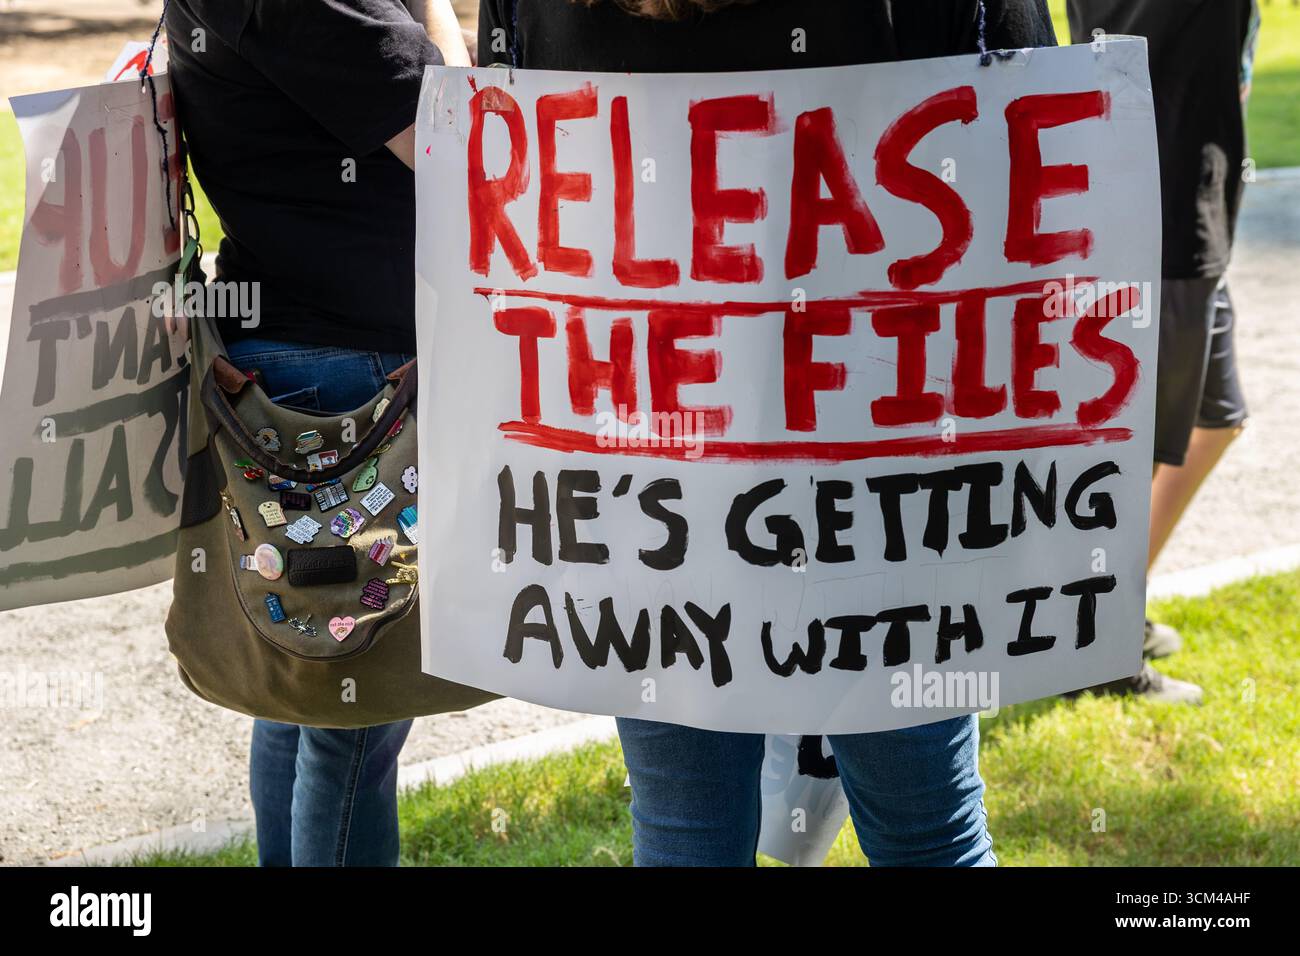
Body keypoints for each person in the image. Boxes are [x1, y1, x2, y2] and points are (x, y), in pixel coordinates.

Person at [479, 0, 1057, 867]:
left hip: (649, 488)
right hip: (885, 492)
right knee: (928, 833)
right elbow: (1031, 137)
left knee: (685, 829)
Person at [165, 0, 468, 866]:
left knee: (299, 690)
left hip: (294, 363)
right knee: (354, 713)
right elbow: (458, 135)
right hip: (353, 379)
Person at [1068, 0, 1260, 704]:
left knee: (1220, 416)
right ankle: (1095, 646)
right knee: (1134, 448)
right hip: (1166, 214)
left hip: (1159, 197)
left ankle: (1110, 606)